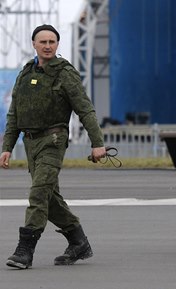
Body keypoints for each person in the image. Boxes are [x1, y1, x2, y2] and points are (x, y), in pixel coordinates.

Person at [0, 24, 106, 269]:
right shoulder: (25, 74)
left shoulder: (65, 73)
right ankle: (78, 241)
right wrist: (7, 147)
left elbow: (85, 109)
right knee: (49, 198)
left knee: (38, 193)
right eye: (43, 42)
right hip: (30, 144)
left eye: (52, 42)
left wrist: (97, 142)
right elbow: (15, 114)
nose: (48, 46)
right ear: (34, 45)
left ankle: (24, 250)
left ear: (57, 45)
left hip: (53, 141)